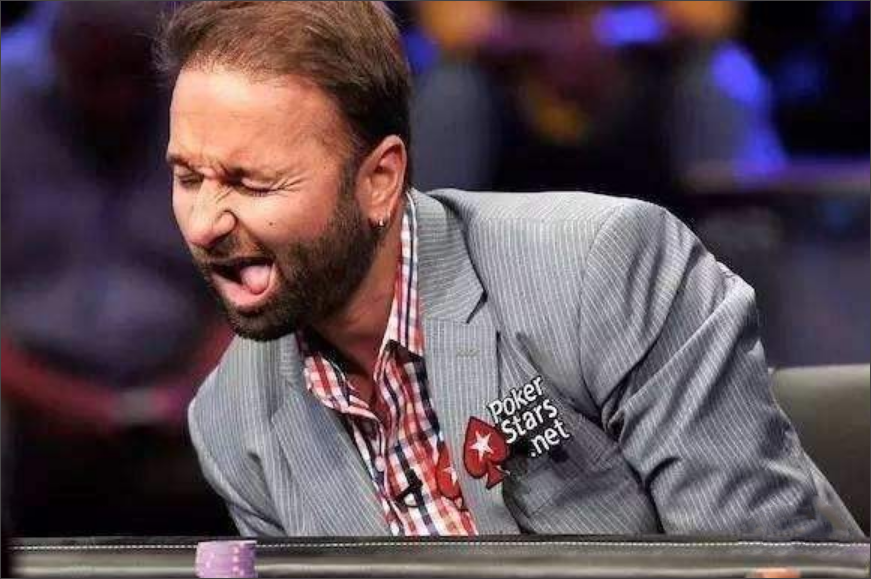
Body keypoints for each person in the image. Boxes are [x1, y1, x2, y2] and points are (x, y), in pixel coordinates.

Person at [157, 1, 860, 537]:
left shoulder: (606, 268)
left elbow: (758, 561)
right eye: (188, 177)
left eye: (252, 184)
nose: (204, 222)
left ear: (379, 180)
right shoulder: (230, 421)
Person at [1, 2, 232, 535]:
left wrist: (207, 380)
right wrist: (59, 398)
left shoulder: (208, 99)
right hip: (27, 392)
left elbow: (260, 271)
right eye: (95, 73)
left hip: (190, 383)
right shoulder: (7, 100)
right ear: (59, 46)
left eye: (134, 74)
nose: (118, 100)